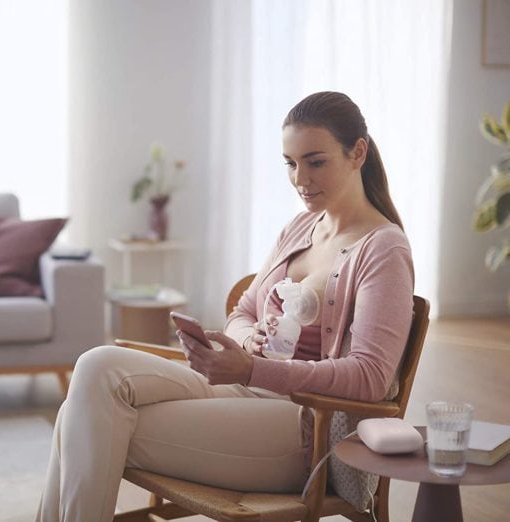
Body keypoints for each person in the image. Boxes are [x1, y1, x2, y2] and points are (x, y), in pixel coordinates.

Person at [37, 91, 414, 522]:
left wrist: (253, 370)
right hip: (240, 389)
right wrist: (243, 341)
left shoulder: (383, 249)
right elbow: (244, 310)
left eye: (315, 161)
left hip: (302, 424)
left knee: (81, 421)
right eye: (290, 163)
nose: (300, 179)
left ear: (357, 152)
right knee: (96, 364)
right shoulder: (300, 227)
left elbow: (369, 377)